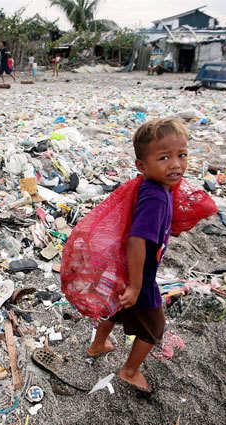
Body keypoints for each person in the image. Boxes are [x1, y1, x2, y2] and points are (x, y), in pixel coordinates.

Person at [86, 118, 189, 393]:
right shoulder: (156, 196)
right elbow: (136, 241)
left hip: (125, 269)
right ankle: (129, 371)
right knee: (154, 327)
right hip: (139, 274)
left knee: (116, 307)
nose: (175, 164)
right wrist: (135, 285)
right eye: (164, 157)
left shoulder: (155, 186)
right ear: (142, 166)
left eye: (182, 155)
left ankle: (98, 345)